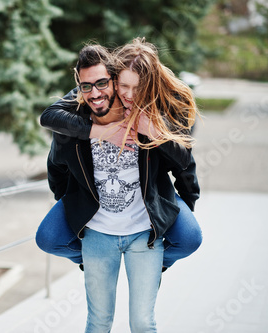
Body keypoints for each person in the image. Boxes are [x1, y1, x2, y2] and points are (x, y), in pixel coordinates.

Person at [41, 41, 193, 332]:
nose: (97, 92)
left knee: (142, 322)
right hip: (99, 235)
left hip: (144, 235)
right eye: (88, 85)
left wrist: (154, 134)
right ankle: (88, 258)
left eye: (103, 83)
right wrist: (74, 202)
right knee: (98, 321)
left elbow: (185, 160)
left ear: (112, 78)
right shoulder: (78, 117)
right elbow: (50, 134)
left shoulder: (148, 111)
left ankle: (159, 261)